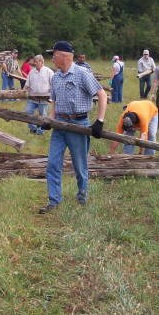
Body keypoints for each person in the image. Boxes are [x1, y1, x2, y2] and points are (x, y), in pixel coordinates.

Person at [41, 41, 107, 214]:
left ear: (64, 56)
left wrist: (99, 121)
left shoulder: (82, 73)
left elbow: (101, 95)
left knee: (79, 165)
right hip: (59, 126)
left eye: (54, 54)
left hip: (78, 125)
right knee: (53, 164)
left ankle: (82, 196)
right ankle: (54, 200)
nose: (52, 58)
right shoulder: (56, 76)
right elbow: (53, 101)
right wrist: (50, 119)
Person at [24, 54, 54, 135]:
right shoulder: (32, 72)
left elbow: (54, 85)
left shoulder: (49, 71)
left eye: (36, 62)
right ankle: (33, 129)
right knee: (28, 112)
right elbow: (27, 85)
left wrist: (51, 97)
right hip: (32, 98)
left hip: (44, 99)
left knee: (43, 116)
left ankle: (40, 131)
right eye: (34, 61)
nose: (34, 63)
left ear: (41, 62)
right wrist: (22, 93)